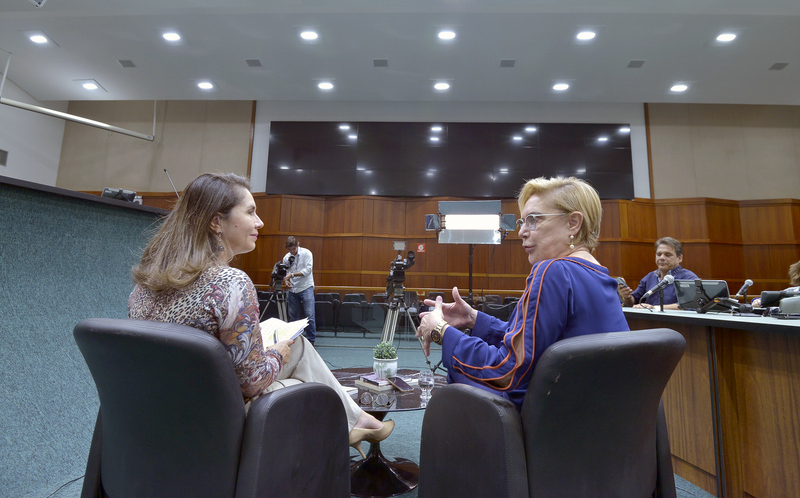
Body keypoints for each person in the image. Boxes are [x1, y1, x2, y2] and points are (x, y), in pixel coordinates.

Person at [128, 172, 392, 458]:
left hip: (158, 417)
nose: (260, 222)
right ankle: (351, 426)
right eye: (251, 212)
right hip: (215, 423)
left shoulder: (143, 288)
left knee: (300, 346)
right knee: (309, 384)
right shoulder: (230, 283)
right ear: (216, 222)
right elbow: (252, 381)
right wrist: (277, 353)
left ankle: (357, 421)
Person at [416, 176, 629, 410]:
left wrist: (440, 331)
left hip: (552, 417)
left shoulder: (553, 271)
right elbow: (533, 342)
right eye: (522, 222)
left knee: (457, 379)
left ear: (573, 223)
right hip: (593, 413)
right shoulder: (601, 276)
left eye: (533, 220)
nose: (521, 232)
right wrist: (473, 318)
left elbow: (506, 372)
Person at [619, 237, 699, 310]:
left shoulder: (688, 278)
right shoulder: (650, 277)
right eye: (659, 254)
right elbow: (633, 301)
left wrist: (656, 308)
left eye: (668, 255)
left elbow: (690, 305)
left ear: (680, 258)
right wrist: (627, 296)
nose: (661, 258)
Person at [282, 236, 316, 344]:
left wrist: (292, 275)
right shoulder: (286, 257)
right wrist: (286, 281)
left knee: (310, 316)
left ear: (298, 245)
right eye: (290, 250)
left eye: (294, 249)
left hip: (306, 287)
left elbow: (308, 270)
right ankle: (294, 341)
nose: (292, 252)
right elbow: (286, 273)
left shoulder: (307, 253)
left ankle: (311, 341)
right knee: (293, 317)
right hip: (292, 289)